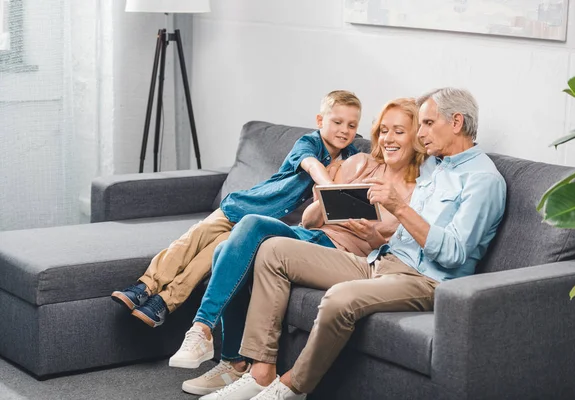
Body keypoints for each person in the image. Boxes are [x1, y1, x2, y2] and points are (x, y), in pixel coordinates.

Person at [203, 87, 507, 400]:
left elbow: (454, 254)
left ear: (456, 122)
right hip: (381, 261)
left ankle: (292, 387)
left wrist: (399, 208)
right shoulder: (435, 164)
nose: (420, 133)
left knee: (338, 298)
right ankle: (262, 371)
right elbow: (387, 151)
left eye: (427, 123)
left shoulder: (483, 181)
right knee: (273, 250)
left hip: (426, 280)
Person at [168, 98, 427, 396]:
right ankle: (225, 355)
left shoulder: (418, 190)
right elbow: (309, 220)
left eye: (398, 131)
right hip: (310, 235)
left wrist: (370, 233)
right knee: (229, 244)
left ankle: (215, 342)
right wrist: (326, 202)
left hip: (340, 254)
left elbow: (387, 249)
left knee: (242, 234)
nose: (388, 138)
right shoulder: (360, 162)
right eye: (383, 130)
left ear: (416, 136)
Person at [110, 90, 362, 327]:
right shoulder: (308, 143)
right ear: (320, 120)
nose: (344, 130)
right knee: (193, 239)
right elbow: (311, 165)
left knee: (210, 258)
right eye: (337, 122)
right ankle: (145, 286)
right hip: (246, 205)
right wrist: (331, 186)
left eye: (352, 125)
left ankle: (164, 303)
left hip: (257, 228)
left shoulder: (351, 158)